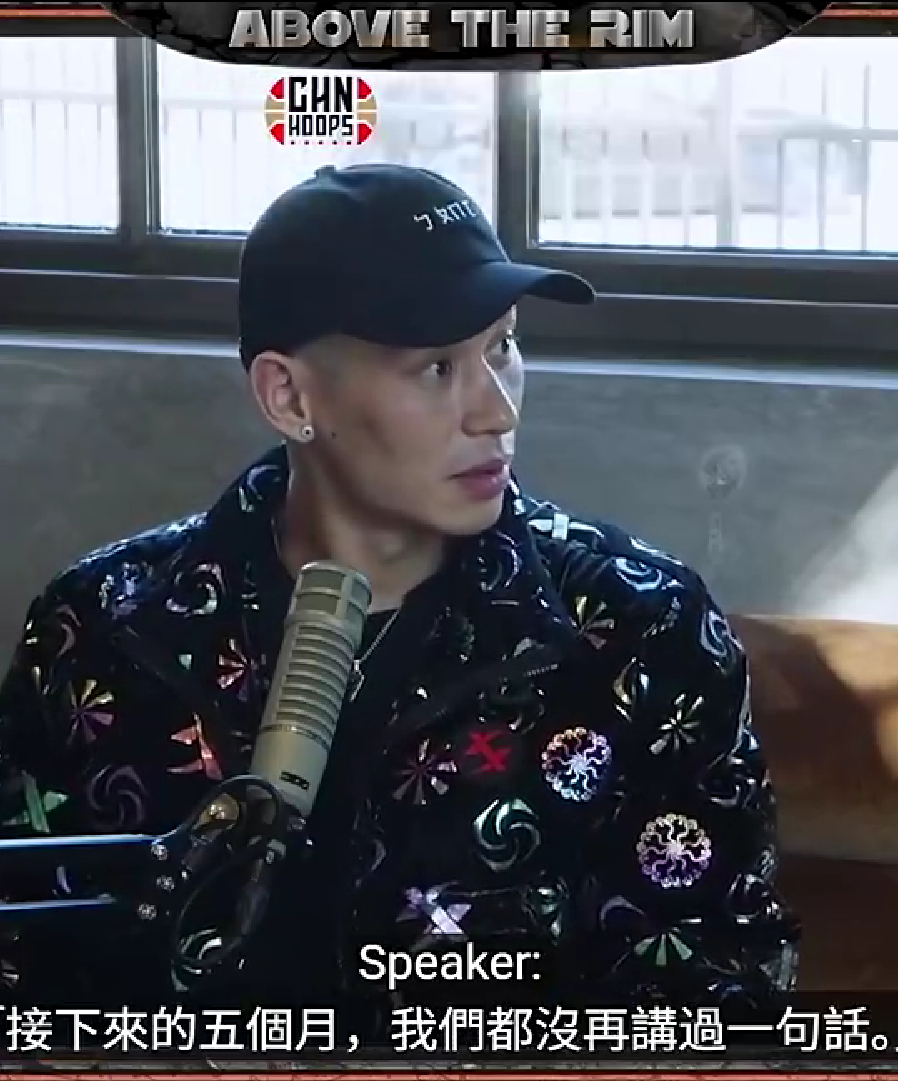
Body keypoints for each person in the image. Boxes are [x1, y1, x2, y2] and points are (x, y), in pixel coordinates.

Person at [0, 164, 797, 1030]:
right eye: (437, 367)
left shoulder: (639, 629)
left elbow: (719, 981)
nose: (496, 411)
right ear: (288, 395)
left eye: (503, 346)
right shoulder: (105, 627)